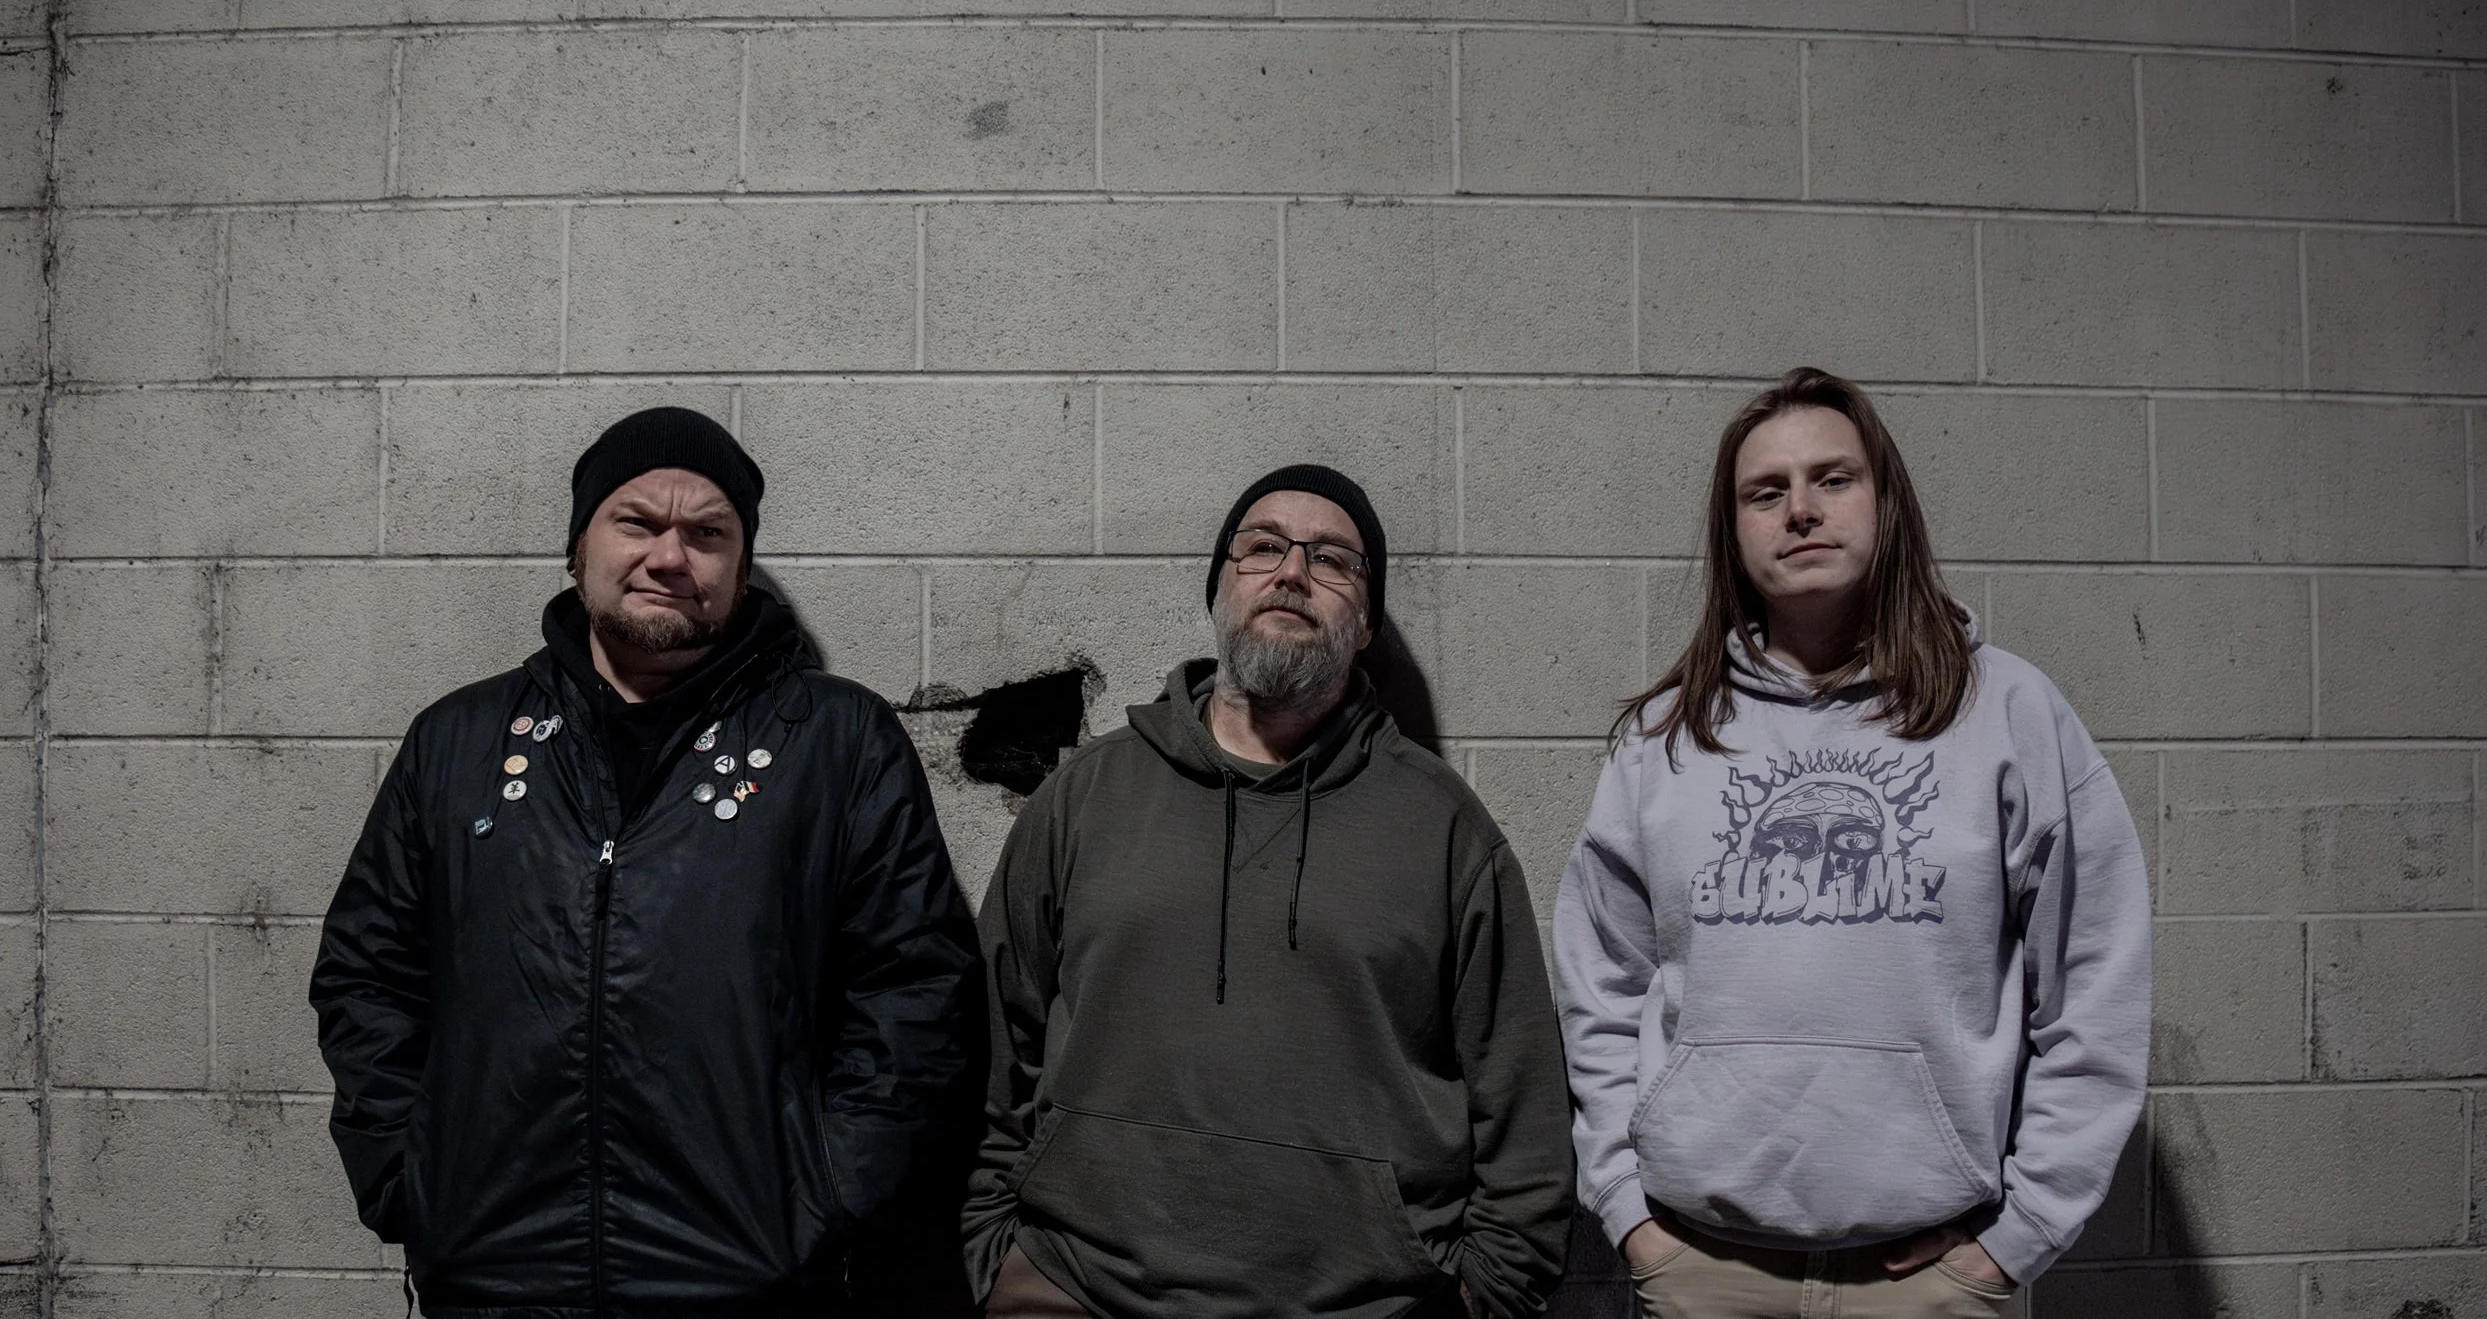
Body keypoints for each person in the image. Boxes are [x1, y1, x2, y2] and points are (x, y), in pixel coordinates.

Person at [312, 406, 983, 1316]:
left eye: (707, 533)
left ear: (740, 569)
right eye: (637, 523)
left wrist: (831, 1196)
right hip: (494, 1275)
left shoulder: (835, 741)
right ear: (577, 545)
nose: (671, 556)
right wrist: (411, 1174)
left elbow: (915, 991)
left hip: (751, 1279)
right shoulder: (458, 742)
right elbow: (366, 971)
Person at [1553, 369, 2150, 1318]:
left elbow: (2094, 986)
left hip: (1929, 1285)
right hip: (1702, 1272)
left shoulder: (2009, 714)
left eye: (1832, 479)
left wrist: (2019, 1237)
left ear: (1885, 502)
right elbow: (1600, 986)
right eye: (1765, 491)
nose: (1799, 510)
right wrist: (1627, 1210)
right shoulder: (1665, 737)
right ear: (1733, 529)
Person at [963, 465, 1573, 1319]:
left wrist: (1484, 1294)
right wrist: (994, 1257)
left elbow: (1521, 1106)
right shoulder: (1087, 796)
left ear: (1364, 624)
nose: (1291, 572)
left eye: (1332, 560)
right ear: (1221, 588)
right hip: (1076, 1290)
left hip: (1363, 1306)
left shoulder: (1442, 828)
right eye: (1262, 548)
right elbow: (991, 1042)